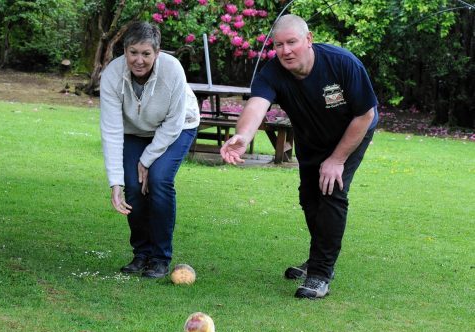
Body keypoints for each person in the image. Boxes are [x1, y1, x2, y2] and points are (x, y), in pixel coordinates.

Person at [220, 14, 378, 299]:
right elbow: (257, 106)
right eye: (278, 45)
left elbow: (365, 114)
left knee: (331, 190)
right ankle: (318, 259)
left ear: (308, 40)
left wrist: (337, 160)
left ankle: (320, 273)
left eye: (292, 42)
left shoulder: (342, 63)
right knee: (309, 196)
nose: (285, 51)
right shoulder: (273, 72)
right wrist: (243, 136)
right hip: (312, 137)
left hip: (353, 131)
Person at [100, 21, 199, 278]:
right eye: (133, 52)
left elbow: (174, 122)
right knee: (133, 184)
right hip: (134, 130)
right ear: (125, 50)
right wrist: (115, 183)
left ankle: (160, 258)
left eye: (146, 53)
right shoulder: (112, 75)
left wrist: (147, 159)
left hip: (178, 126)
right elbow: (111, 131)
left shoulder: (173, 70)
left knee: (159, 179)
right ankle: (141, 254)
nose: (139, 60)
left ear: (157, 52)